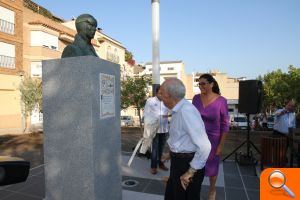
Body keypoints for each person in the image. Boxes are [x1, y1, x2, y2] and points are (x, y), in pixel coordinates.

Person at [160, 78, 211, 200]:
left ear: (168, 95)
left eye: (161, 92)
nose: (160, 95)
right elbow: (182, 138)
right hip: (179, 163)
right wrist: (170, 154)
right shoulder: (178, 109)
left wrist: (190, 172)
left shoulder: (186, 111)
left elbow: (205, 146)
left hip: (187, 165)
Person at [192, 73, 229, 200]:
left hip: (213, 140)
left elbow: (225, 125)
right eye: (199, 84)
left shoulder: (221, 101)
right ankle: (196, 188)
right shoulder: (196, 98)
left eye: (203, 83)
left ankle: (212, 190)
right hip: (197, 138)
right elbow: (192, 117)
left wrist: (221, 145)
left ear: (211, 84)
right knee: (195, 165)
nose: (200, 86)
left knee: (212, 168)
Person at [144, 86, 170, 174]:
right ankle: (153, 166)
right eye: (160, 93)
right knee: (154, 148)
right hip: (154, 129)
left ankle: (160, 163)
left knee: (162, 148)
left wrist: (167, 116)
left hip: (164, 128)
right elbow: (146, 114)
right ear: (156, 93)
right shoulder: (150, 101)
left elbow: (169, 113)